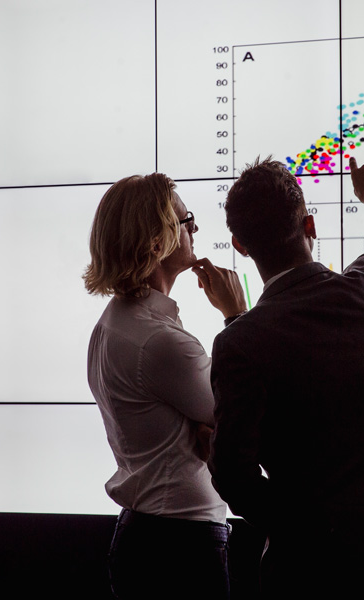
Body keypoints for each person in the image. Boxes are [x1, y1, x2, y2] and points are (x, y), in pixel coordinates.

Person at [206, 157, 364, 599]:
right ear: (310, 226)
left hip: (310, 574)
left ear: (240, 246)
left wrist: (308, 531)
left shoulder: (239, 342)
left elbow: (231, 475)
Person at [83, 172, 246, 600]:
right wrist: (237, 317)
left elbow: (219, 418)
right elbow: (245, 411)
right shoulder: (159, 341)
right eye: (185, 220)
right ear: (157, 243)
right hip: (180, 548)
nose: (194, 228)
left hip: (150, 537)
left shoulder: (116, 325)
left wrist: (212, 426)